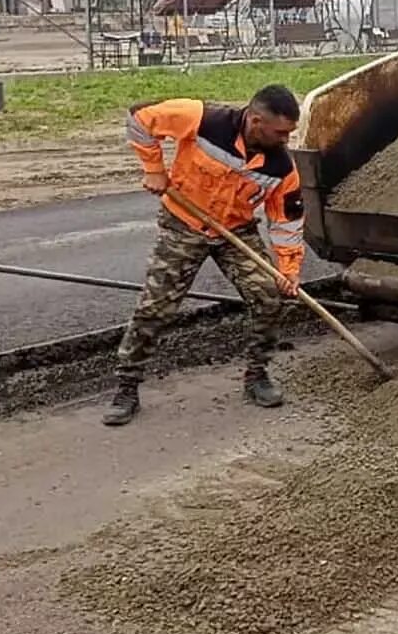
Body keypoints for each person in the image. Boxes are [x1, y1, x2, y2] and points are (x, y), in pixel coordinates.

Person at [103, 85, 306, 425]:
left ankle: (257, 375)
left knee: (269, 297)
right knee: (156, 307)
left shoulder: (281, 169)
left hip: (235, 232)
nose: (286, 140)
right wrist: (153, 168)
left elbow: (286, 223)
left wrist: (288, 270)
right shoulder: (203, 120)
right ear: (256, 121)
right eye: (281, 132)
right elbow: (139, 116)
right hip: (184, 224)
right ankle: (127, 386)